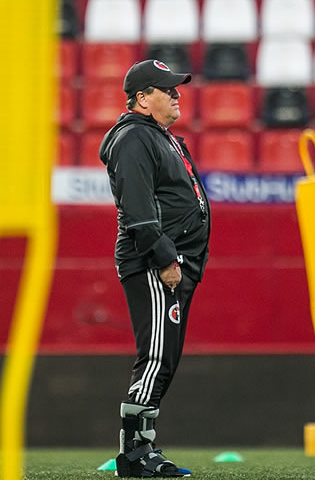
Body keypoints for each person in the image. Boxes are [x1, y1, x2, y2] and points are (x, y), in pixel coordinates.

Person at [98, 59, 210, 478]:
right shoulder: (134, 138)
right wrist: (164, 257)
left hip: (174, 260)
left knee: (165, 358)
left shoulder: (158, 136)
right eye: (168, 89)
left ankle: (143, 448)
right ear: (143, 99)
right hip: (154, 262)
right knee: (157, 356)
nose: (177, 95)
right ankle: (133, 454)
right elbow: (138, 209)